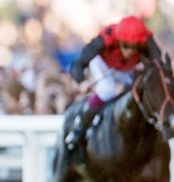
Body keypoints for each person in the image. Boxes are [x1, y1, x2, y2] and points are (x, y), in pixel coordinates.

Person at [64, 15, 163, 150]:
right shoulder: (106, 38)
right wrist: (81, 81)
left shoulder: (148, 41)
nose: (130, 51)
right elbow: (78, 63)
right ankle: (79, 125)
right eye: (126, 46)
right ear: (119, 41)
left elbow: (159, 64)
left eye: (136, 47)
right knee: (107, 89)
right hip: (103, 64)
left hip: (127, 67)